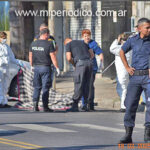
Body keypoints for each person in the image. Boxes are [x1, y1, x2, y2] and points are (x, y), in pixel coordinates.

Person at [119, 18, 150, 143]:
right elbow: (122, 51)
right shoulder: (133, 40)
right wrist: (127, 67)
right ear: (139, 28)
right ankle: (128, 135)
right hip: (135, 77)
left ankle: (148, 134)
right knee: (130, 104)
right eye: (147, 27)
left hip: (148, 78)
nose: (149, 29)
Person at [29, 28, 60, 112]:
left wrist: (31, 65)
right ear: (46, 34)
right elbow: (53, 56)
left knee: (36, 87)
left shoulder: (33, 43)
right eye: (48, 35)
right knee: (45, 88)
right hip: (45, 68)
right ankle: (45, 107)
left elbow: (30, 55)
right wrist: (57, 67)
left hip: (36, 68)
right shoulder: (49, 44)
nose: (49, 36)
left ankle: (35, 106)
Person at [64, 37, 94, 112]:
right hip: (89, 63)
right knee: (87, 84)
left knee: (78, 83)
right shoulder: (83, 42)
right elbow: (92, 54)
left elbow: (68, 58)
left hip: (80, 64)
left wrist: (75, 64)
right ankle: (87, 105)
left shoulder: (68, 44)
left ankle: (75, 105)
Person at [81, 29, 104, 111]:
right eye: (85, 36)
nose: (87, 38)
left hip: (92, 68)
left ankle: (90, 103)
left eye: (88, 36)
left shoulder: (93, 43)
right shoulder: (80, 44)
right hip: (83, 68)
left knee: (90, 86)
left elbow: (100, 53)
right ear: (82, 36)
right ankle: (83, 103)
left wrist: (101, 63)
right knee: (83, 85)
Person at [0, 31, 23, 108]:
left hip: (6, 68)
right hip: (0, 68)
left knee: (5, 85)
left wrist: (20, 63)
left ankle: (4, 101)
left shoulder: (7, 47)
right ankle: (0, 101)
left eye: (5, 38)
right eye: (3, 38)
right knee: (0, 85)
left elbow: (12, 58)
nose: (4, 39)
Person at [110, 33, 132, 112]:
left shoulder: (120, 48)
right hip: (128, 71)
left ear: (122, 40)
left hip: (121, 72)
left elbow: (111, 48)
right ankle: (126, 104)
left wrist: (117, 40)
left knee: (122, 89)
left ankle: (124, 105)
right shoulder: (131, 49)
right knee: (125, 88)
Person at [34, 23, 58, 88]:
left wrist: (54, 54)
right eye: (43, 29)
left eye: (46, 29)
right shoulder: (37, 38)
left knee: (50, 80)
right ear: (40, 29)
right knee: (40, 83)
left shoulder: (51, 38)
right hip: (40, 62)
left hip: (50, 62)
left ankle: (49, 91)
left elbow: (56, 47)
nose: (45, 30)